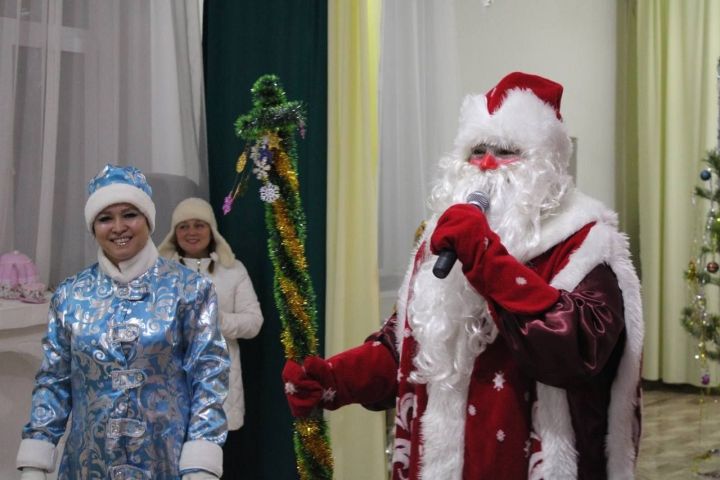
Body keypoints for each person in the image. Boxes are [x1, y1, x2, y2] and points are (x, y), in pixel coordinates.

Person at [282, 72, 643, 479]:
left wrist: (487, 260)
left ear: (548, 162)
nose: (487, 163)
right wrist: (335, 380)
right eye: (476, 151)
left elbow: (576, 349)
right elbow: (404, 351)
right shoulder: (446, 241)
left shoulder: (583, 243)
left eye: (506, 150)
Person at [16, 165, 230, 480]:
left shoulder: (190, 290)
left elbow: (209, 377)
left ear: (148, 219)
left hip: (166, 464)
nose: (118, 227)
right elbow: (54, 381)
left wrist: (201, 459)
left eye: (129, 214)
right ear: (93, 227)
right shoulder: (71, 295)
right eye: (105, 218)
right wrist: (36, 458)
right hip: (88, 465)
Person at [158, 197, 264, 478]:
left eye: (199, 225)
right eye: (184, 226)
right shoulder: (158, 272)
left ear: (211, 230)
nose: (191, 232)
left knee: (210, 466)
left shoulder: (233, 270)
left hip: (219, 384)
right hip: (170, 384)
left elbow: (254, 322)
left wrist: (217, 321)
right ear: (174, 232)